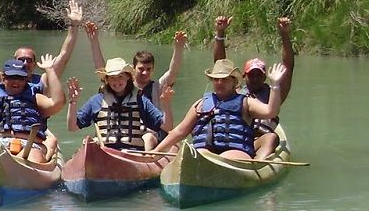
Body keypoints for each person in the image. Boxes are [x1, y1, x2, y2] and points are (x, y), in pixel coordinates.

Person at [154, 59, 288, 160]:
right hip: (206, 152)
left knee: (227, 157)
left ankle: (257, 165)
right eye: (216, 79)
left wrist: (275, 84)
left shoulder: (246, 102)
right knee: (197, 154)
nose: (219, 83)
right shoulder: (201, 104)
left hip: (234, 153)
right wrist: (157, 151)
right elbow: (180, 131)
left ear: (234, 82)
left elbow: (271, 112)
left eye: (224, 79)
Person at [212, 15, 295, 158]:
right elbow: (221, 65)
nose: (255, 78)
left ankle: (257, 164)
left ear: (264, 77)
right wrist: (220, 33)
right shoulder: (236, 93)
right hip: (237, 140)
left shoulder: (273, 95)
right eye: (251, 75)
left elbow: (288, 66)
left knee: (271, 137)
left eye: (259, 75)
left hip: (260, 141)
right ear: (244, 76)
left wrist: (284, 35)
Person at [0, 54, 65, 163]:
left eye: (20, 78)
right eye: (11, 77)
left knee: (35, 158)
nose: (16, 81)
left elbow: (58, 103)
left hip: (29, 145)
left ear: (26, 80)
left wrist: (50, 70)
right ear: (3, 78)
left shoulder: (36, 98)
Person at [67, 57, 170, 151]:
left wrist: (166, 104)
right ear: (107, 80)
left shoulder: (140, 100)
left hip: (132, 153)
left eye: (120, 76)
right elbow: (72, 127)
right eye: (112, 77)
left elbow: (167, 126)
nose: (116, 81)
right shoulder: (97, 100)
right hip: (105, 153)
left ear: (127, 77)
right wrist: (73, 102)